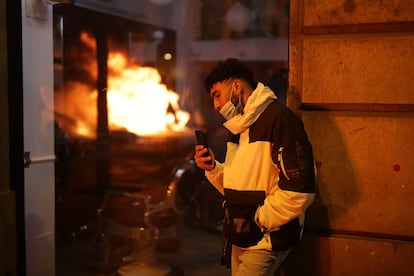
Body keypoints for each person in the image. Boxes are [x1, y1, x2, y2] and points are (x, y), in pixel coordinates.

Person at [194, 58, 316, 276]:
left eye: (217, 95)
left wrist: (258, 219)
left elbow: (300, 191)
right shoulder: (238, 127)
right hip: (240, 236)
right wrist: (212, 168)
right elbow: (237, 187)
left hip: (265, 240)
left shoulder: (279, 119)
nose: (215, 105)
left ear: (237, 86)